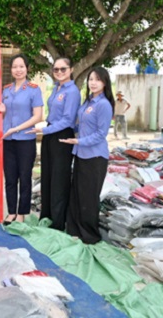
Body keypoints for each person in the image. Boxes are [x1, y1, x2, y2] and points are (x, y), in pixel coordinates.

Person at [61, 66, 114, 244]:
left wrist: (79, 141)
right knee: (77, 194)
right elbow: (81, 125)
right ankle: (75, 230)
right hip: (81, 154)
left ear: (105, 82)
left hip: (95, 157)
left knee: (89, 198)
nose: (93, 83)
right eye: (91, 79)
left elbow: (101, 134)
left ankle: (90, 235)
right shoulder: (88, 102)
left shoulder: (103, 104)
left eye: (97, 79)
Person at [26, 57, 80, 230]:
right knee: (47, 176)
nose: (59, 72)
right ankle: (46, 215)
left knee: (59, 180)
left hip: (62, 136)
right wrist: (46, 130)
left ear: (71, 70)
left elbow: (68, 120)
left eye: (63, 69)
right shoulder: (57, 88)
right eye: (56, 69)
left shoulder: (72, 91)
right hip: (50, 134)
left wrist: (45, 130)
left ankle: (58, 222)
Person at [0, 54, 43, 224]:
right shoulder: (6, 90)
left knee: (25, 177)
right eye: (15, 67)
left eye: (21, 66)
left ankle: (22, 213)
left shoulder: (34, 89)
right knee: (10, 178)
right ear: (11, 69)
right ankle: (11, 211)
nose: (18, 70)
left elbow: (38, 116)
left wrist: (17, 128)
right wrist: (2, 110)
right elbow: (4, 114)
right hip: (8, 140)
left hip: (25, 140)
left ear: (27, 68)